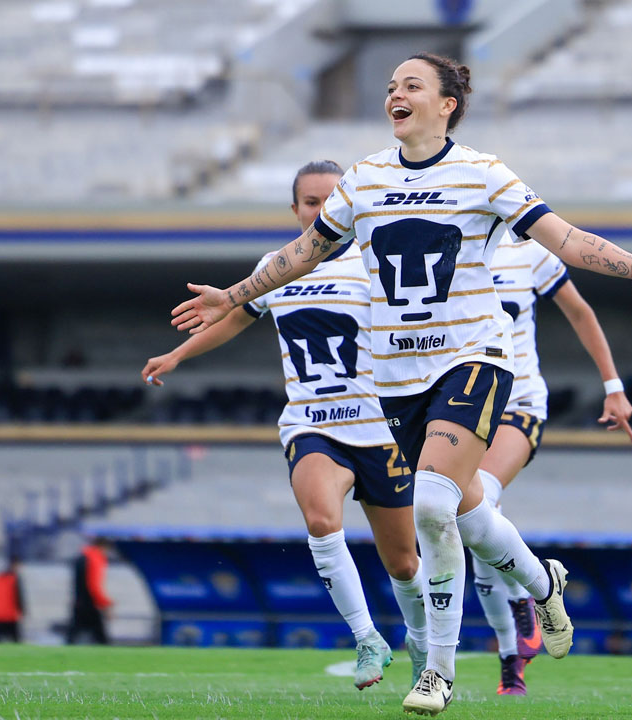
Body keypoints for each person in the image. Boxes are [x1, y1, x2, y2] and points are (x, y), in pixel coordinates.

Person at [170, 52, 632, 715]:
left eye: (411, 85)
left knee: (430, 508)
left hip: (474, 361)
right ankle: (544, 583)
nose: (396, 92)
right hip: (396, 381)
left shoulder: (483, 174)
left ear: (446, 104)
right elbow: (302, 253)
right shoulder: (362, 181)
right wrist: (237, 295)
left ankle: (438, 674)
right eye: (390, 85)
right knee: (473, 516)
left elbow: (565, 240)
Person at [141, 160, 428, 689]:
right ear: (296, 210)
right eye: (310, 202)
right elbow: (233, 315)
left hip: (379, 429)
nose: (320, 211)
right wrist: (178, 355)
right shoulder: (276, 266)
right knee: (321, 521)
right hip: (312, 422)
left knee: (406, 564)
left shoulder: (374, 261)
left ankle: (421, 641)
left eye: (330, 200)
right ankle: (368, 639)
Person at [472, 228, 632, 695]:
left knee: (480, 496)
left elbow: (580, 312)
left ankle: (530, 597)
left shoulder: (529, 254)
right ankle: (513, 654)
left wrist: (613, 387)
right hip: (462, 404)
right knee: (468, 521)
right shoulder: (445, 249)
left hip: (518, 403)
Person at [67, 537, 112, 644]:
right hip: (90, 604)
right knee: (101, 637)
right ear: (102, 547)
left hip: (79, 603)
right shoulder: (95, 559)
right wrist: (105, 603)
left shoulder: (82, 557)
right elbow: (94, 585)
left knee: (74, 634)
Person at [0, 556, 24, 642]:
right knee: (15, 639)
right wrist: (22, 610)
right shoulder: (14, 578)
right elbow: (19, 596)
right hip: (10, 613)